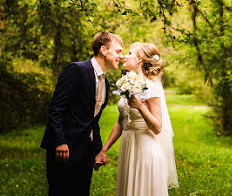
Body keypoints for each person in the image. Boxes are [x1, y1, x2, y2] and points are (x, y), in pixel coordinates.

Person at [41, 31, 124, 196]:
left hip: (85, 152)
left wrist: (99, 150)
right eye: (118, 51)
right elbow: (56, 109)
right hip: (64, 149)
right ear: (103, 50)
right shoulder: (76, 70)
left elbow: (93, 120)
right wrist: (60, 142)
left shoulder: (105, 83)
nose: (121, 56)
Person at [95, 42, 178, 196]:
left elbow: (158, 127)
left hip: (145, 150)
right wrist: (103, 150)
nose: (124, 56)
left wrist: (140, 106)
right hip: (128, 147)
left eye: (130, 53)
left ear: (139, 60)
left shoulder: (151, 87)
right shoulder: (129, 83)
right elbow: (121, 122)